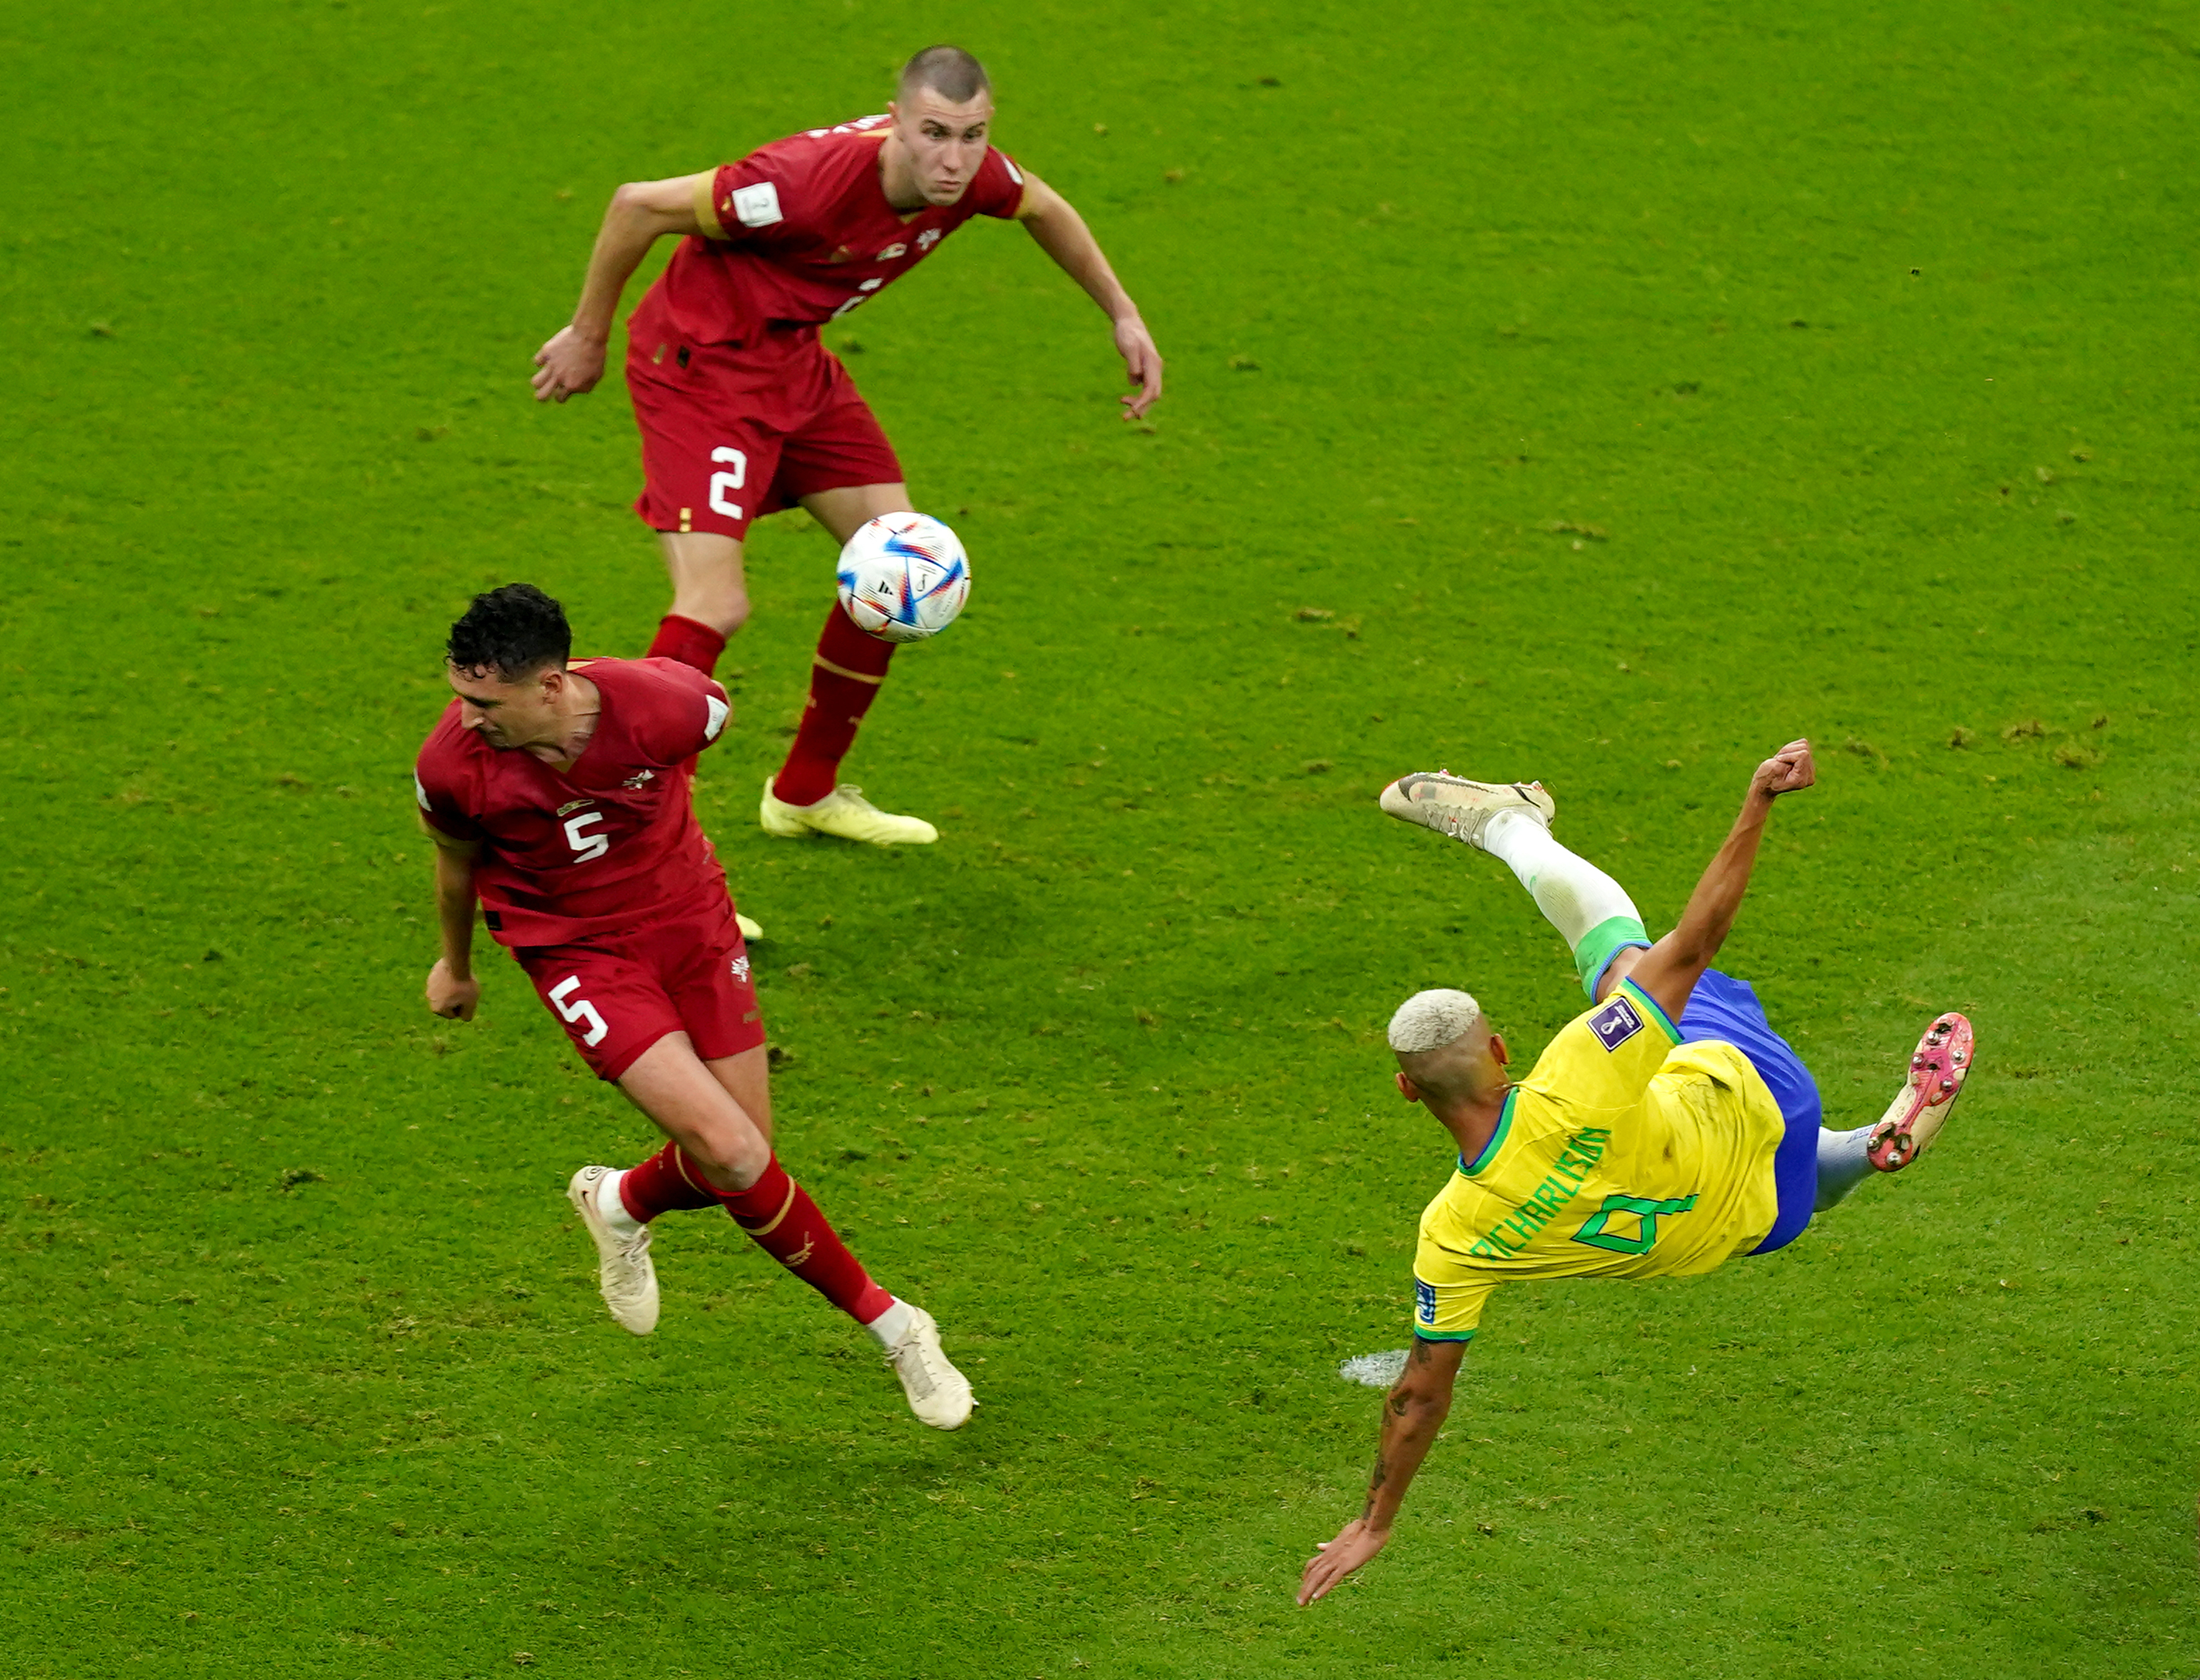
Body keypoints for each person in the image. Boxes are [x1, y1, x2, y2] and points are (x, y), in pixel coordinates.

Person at [1294, 746, 1977, 1605]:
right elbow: (1695, 940)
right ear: (1501, 1050)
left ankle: (1864, 1147)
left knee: (1783, 1187)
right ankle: (1510, 823)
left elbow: (1418, 1394)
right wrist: (1756, 801)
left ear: (1406, 1090)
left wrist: (1376, 1519)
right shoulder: (1578, 1071)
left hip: (1748, 1224)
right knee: (1622, 962)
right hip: (1765, 1098)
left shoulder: (1452, 1238)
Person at [529, 44, 1164, 849]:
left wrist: (1121, 311)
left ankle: (803, 792)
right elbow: (635, 206)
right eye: (934, 133)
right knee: (714, 604)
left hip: (793, 364)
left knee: (902, 570)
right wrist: (587, 338)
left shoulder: (972, 178)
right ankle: (637, 841)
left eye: (972, 136)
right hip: (701, 370)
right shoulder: (799, 184)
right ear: (894, 122)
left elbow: (1042, 206)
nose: (954, 158)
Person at [413, 583, 974, 1430]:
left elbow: (703, 728)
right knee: (733, 1152)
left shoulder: (669, 707)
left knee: (739, 1161)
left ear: (552, 685)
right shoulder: (451, 766)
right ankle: (896, 1325)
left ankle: (618, 1201)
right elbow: (456, 868)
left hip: (693, 923)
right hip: (580, 953)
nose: (468, 717)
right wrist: (454, 967)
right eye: (461, 695)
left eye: (487, 701)